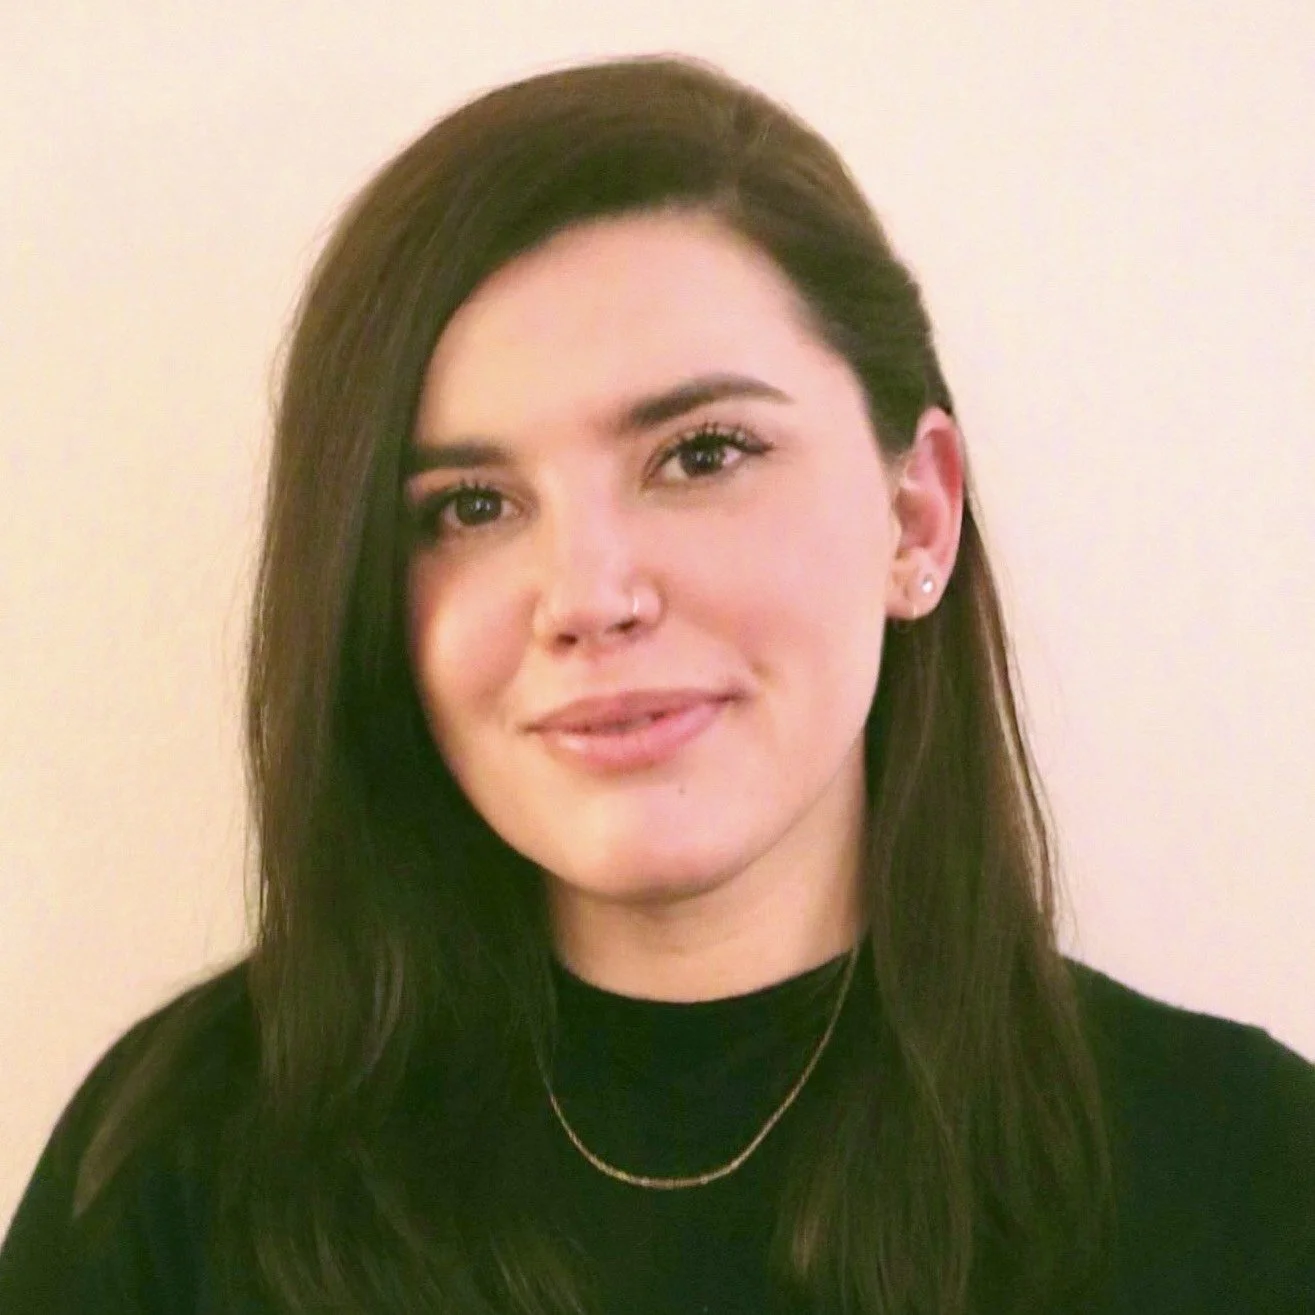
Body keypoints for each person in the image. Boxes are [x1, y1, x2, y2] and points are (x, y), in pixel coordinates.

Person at [1, 52, 1311, 1315]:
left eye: (701, 454)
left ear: (914, 514)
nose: (588, 595)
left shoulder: (1245, 1176)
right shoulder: (176, 1172)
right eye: (469, 505)